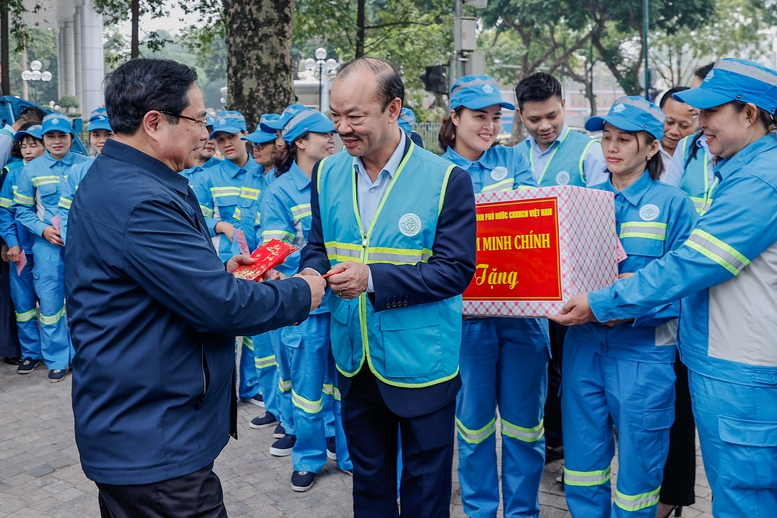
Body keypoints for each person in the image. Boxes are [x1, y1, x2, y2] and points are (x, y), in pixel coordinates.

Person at [65, 58, 325, 518]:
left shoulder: (128, 180)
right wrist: (304, 291)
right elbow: (223, 309)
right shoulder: (140, 199)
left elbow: (152, 281)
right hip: (154, 446)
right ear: (154, 123)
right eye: (198, 120)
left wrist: (220, 268)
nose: (206, 133)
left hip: (139, 431)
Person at [552, 58, 777, 518]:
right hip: (713, 358)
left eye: (711, 111)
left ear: (749, 113)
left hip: (736, 365)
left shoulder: (757, 180)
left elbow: (691, 266)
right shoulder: (737, 171)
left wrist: (604, 301)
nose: (700, 122)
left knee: (743, 494)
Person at [300, 57, 477, 517]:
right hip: (354, 359)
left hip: (422, 362)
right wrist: (310, 274)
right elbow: (318, 245)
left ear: (393, 109)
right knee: (370, 483)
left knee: (424, 487)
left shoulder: (446, 180)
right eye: (335, 116)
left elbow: (455, 270)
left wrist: (373, 278)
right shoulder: (327, 173)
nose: (342, 128)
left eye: (355, 116)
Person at [561, 96, 697, 518]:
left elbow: (685, 288)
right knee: (582, 467)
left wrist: (631, 306)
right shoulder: (581, 199)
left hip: (643, 355)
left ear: (653, 146)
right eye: (606, 138)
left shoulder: (675, 205)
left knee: (638, 476)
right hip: (582, 347)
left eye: (624, 139)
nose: (612, 148)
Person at [439, 75, 549, 517]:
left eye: (496, 117)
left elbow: (529, 228)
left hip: (524, 316)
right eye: (479, 116)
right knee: (474, 427)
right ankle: (481, 510)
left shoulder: (516, 160)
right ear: (455, 117)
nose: (489, 126)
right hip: (467, 321)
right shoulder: (437, 174)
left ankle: (523, 511)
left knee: (525, 428)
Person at [513, 71, 608, 463]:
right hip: (528, 292)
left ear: (564, 106)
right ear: (520, 115)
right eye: (534, 120)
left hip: (574, 291)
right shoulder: (513, 156)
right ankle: (552, 440)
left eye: (552, 115)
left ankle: (577, 450)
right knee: (540, 371)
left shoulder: (589, 152)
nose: (545, 125)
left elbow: (604, 216)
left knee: (573, 374)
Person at [260, 106, 352, 491]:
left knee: (347, 387)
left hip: (345, 304)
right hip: (308, 311)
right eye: (323, 134)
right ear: (300, 142)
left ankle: (349, 454)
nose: (333, 138)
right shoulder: (280, 191)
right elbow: (274, 250)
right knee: (308, 389)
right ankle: (310, 457)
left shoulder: (341, 180)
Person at [13, 113, 89, 382]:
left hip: (83, 248)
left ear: (71, 137)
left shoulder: (87, 165)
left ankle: (84, 357)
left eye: (62, 135)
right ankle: (57, 358)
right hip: (47, 247)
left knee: (85, 303)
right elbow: (21, 210)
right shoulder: (30, 170)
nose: (57, 141)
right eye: (50, 136)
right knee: (50, 305)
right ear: (44, 139)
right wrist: (42, 229)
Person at [235, 114, 285, 435]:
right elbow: (242, 224)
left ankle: (287, 415)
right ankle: (272, 405)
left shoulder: (285, 180)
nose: (255, 148)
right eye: (253, 142)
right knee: (263, 348)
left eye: (263, 143)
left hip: (276, 273)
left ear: (281, 143)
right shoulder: (252, 177)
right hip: (253, 270)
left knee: (282, 352)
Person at [0, 124, 43, 371]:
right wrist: (12, 244)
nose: (27, 150)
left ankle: (58, 355)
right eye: (23, 145)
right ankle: (30, 354)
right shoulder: (14, 174)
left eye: (33, 144)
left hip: (49, 247)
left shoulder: (53, 172)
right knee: (24, 306)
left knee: (52, 307)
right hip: (21, 251)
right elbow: (5, 213)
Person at [194, 110, 258, 263]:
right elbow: (197, 220)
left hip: (264, 259)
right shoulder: (207, 178)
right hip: (225, 261)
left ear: (246, 135)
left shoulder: (264, 174)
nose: (227, 144)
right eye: (220, 139)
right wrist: (220, 225)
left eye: (232, 136)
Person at [664, 63, 717, 216]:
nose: (692, 107)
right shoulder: (687, 146)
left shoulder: (755, 156)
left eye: (699, 99)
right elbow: (670, 204)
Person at [58, 108, 114, 244]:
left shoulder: (132, 168)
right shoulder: (79, 171)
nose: (101, 140)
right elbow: (66, 211)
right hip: (89, 245)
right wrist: (70, 243)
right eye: (96, 135)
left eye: (108, 134)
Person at [658, 87, 695, 176]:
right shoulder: (641, 151)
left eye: (684, 126)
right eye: (669, 122)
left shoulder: (703, 155)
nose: (674, 131)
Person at [181, 114, 221, 188]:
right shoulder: (179, 167)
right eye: (203, 135)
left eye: (214, 136)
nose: (210, 141)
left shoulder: (223, 170)